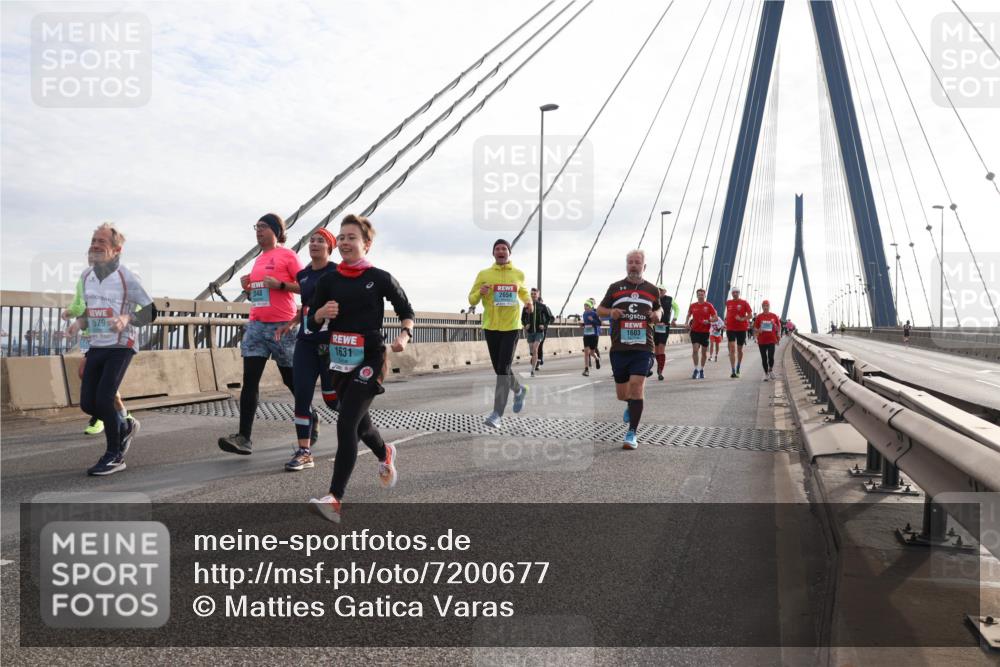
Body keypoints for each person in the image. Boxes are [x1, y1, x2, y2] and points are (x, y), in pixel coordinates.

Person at [307, 215, 415, 523]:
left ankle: (334, 498)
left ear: (365, 244)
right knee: (362, 425)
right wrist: (320, 315)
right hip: (339, 360)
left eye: (351, 237)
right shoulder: (328, 280)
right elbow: (310, 320)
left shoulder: (379, 278)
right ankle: (385, 454)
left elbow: (406, 310)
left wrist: (404, 335)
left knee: (346, 424)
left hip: (370, 358)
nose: (343, 243)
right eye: (340, 238)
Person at [69, 223, 155, 475]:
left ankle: (114, 455)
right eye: (93, 240)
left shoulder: (127, 277)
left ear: (116, 250)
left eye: (101, 242)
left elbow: (152, 311)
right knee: (88, 403)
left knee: (105, 397)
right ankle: (124, 425)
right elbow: (92, 311)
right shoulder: (87, 276)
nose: (94, 245)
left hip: (121, 345)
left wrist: (127, 319)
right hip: (97, 344)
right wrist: (79, 322)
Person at [218, 213, 304, 456]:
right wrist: (249, 286)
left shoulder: (288, 255)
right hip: (256, 325)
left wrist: (281, 285)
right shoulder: (259, 260)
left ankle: (311, 417)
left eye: (264, 227)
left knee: (291, 380)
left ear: (276, 231)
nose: (258, 231)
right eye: (257, 227)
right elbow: (261, 294)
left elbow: (307, 285)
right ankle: (244, 437)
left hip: (282, 325)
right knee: (250, 381)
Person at [275, 228, 341, 472]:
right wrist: (290, 324)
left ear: (329, 247)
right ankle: (304, 452)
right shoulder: (302, 275)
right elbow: (306, 307)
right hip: (305, 342)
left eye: (320, 241)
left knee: (331, 398)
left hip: (329, 343)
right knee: (301, 396)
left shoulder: (337, 272)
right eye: (312, 240)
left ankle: (357, 423)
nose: (314, 244)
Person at [597, 249, 661, 450]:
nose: (633, 265)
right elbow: (599, 311)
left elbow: (659, 308)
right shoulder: (615, 288)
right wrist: (611, 312)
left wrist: (658, 313)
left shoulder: (652, 289)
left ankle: (632, 433)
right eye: (630, 262)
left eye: (637, 262)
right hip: (619, 347)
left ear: (644, 266)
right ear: (627, 265)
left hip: (643, 346)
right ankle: (629, 404)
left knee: (637, 385)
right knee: (622, 394)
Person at [63, 261, 134, 436]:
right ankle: (121, 415)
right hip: (89, 335)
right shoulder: (85, 278)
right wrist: (71, 312)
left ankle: (106, 417)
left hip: (110, 338)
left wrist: (124, 318)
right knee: (87, 374)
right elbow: (79, 303)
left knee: (88, 373)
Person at [468, 239, 532, 428]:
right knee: (499, 369)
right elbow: (471, 298)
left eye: (504, 248)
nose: (501, 251)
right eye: (497, 249)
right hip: (491, 326)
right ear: (493, 253)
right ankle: (519, 390)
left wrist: (529, 302)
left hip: (511, 327)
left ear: (509, 253)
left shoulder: (518, 273)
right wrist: (480, 292)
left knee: (503, 370)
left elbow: (524, 293)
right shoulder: (484, 274)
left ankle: (497, 413)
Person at [686, 288, 717, 379]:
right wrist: (686, 323)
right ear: (697, 295)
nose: (700, 296)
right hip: (695, 331)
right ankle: (696, 369)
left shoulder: (709, 305)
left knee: (704, 353)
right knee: (695, 350)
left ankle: (702, 369)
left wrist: (709, 320)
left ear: (704, 295)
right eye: (699, 294)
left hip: (705, 332)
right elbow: (688, 315)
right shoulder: (693, 305)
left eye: (702, 294)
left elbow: (715, 317)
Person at [522, 288, 552, 376]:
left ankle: (532, 370)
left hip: (539, 332)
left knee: (535, 349)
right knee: (532, 350)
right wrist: (525, 324)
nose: (533, 295)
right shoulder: (526, 305)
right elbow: (522, 318)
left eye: (535, 294)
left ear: (538, 295)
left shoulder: (542, 306)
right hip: (530, 332)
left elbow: (549, 318)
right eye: (532, 294)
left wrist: (544, 325)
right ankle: (534, 357)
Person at [724, 287, 752, 378]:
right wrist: (726, 320)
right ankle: (733, 371)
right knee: (732, 349)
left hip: (741, 329)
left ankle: (738, 367)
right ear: (732, 294)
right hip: (730, 328)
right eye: (733, 292)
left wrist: (742, 319)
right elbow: (728, 313)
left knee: (739, 350)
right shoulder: (728, 303)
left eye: (736, 292)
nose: (735, 294)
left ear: (739, 293)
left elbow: (750, 315)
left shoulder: (744, 303)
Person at [653, 285, 680, 381]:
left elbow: (677, 308)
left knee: (661, 348)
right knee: (656, 351)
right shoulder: (653, 299)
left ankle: (660, 371)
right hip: (655, 326)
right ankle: (659, 365)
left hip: (665, 326)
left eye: (661, 290)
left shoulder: (669, 299)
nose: (660, 292)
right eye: (658, 290)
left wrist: (675, 318)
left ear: (665, 291)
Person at [753, 300, 782, 380]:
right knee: (764, 358)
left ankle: (771, 370)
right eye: (764, 306)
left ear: (769, 306)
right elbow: (755, 328)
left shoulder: (774, 316)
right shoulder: (759, 316)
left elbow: (778, 328)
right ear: (762, 307)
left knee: (771, 357)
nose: (765, 307)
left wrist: (774, 325)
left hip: (771, 340)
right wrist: (758, 330)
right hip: (762, 340)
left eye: (767, 306)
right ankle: (766, 374)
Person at [581, 298, 602, 376]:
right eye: (584, 306)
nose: (585, 307)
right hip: (586, 335)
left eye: (586, 306)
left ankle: (597, 359)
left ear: (590, 307)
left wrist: (593, 320)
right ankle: (586, 369)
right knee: (586, 351)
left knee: (592, 352)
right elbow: (587, 323)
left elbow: (599, 323)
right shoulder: (584, 314)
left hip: (594, 335)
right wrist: (582, 325)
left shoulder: (594, 314)